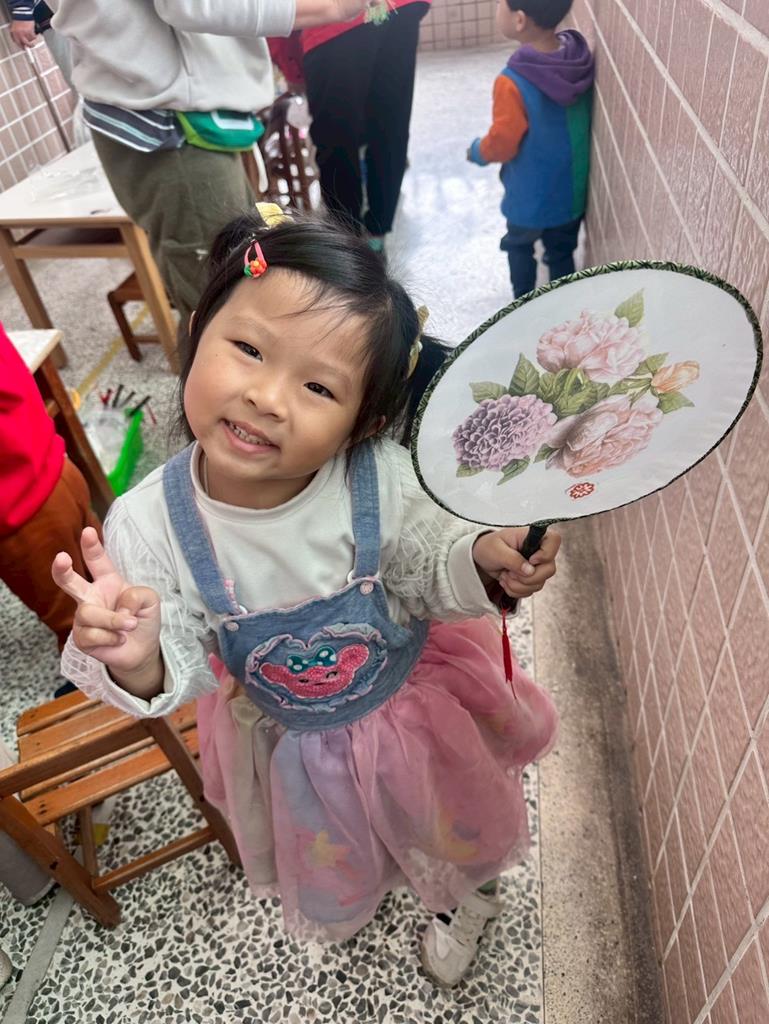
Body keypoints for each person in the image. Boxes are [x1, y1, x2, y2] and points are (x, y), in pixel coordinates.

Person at [52, 210, 560, 986]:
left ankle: (465, 899)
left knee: (451, 824)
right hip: (291, 743)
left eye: (318, 386)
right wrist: (142, 656)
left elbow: (428, 566)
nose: (266, 397)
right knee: (344, 842)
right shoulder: (149, 525)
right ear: (196, 331)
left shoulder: (377, 477)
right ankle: (380, 878)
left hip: (412, 716)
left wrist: (480, 558)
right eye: (249, 349)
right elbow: (176, 658)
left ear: (364, 421)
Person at [45, 0, 373, 336]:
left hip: (175, 106)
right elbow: (191, 5)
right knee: (218, 306)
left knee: (229, 285)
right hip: (170, 118)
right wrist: (334, 6)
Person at [467, 0, 594, 298]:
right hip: (570, 194)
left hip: (529, 197)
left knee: (519, 246)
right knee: (561, 253)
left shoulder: (512, 81)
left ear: (520, 20)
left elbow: (503, 142)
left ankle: (523, 305)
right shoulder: (576, 62)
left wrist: (477, 151)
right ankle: (564, 308)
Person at [0, 320, 100, 659]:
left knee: (79, 628)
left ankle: (111, 683)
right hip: (52, 466)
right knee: (105, 573)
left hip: (21, 513)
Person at [301, 1, 431, 254]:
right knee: (390, 125)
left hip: (328, 15)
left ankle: (349, 243)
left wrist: (291, 67)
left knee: (336, 135)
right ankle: (376, 236)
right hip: (398, 8)